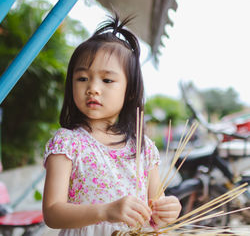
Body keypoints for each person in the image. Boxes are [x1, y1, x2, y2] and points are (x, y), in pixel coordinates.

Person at [42, 13, 181, 236]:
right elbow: (52, 213)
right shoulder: (67, 143)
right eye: (82, 78)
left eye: (107, 80)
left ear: (130, 91)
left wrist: (168, 211)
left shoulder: (143, 148)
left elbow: (155, 212)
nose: (93, 88)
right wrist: (106, 211)